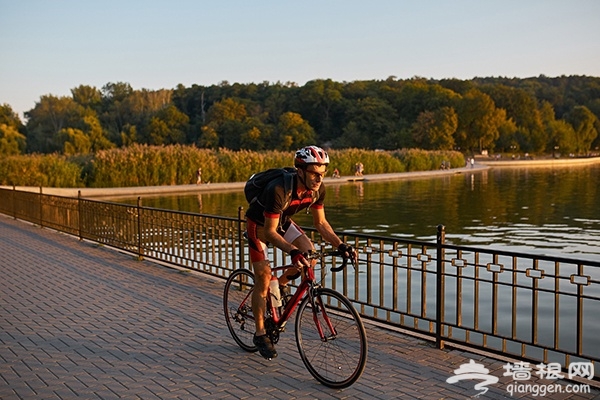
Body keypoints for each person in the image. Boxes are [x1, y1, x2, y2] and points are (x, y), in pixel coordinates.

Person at [244, 145, 357, 360]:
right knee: (264, 278)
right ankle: (260, 333)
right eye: (314, 174)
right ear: (301, 171)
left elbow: (321, 223)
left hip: (282, 222)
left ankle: (283, 285)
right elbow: (269, 231)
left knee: (310, 255)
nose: (319, 179)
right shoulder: (279, 189)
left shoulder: (317, 190)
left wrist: (340, 245)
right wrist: (293, 251)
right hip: (259, 225)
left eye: (322, 174)